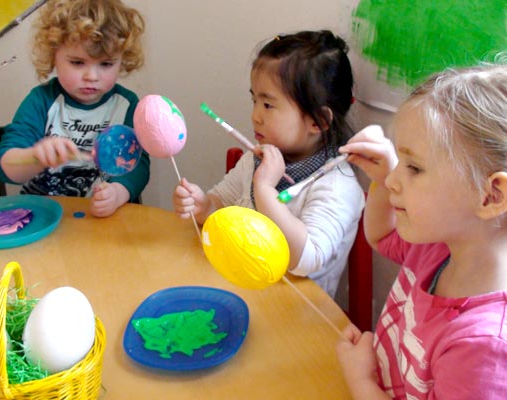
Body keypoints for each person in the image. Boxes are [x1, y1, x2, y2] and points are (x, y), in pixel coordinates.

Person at [336, 65, 507, 399]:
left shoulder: (484, 347)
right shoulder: (442, 246)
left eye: (413, 167)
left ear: (491, 196)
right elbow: (382, 237)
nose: (395, 180)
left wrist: (361, 381)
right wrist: (382, 176)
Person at [172, 30, 365, 297]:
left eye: (268, 105)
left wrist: (264, 190)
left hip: (295, 315)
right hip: (239, 288)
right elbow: (223, 202)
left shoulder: (337, 185)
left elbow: (304, 260)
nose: (255, 116)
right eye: (254, 101)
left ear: (317, 121)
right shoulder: (257, 158)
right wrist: (203, 205)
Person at [0, 0, 149, 217]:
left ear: (122, 61)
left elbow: (137, 165)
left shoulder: (128, 104)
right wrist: (34, 157)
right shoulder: (42, 101)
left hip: (100, 222)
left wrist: (118, 193)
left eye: (106, 64)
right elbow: (4, 166)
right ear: (53, 54)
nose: (91, 77)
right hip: (43, 218)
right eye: (77, 62)